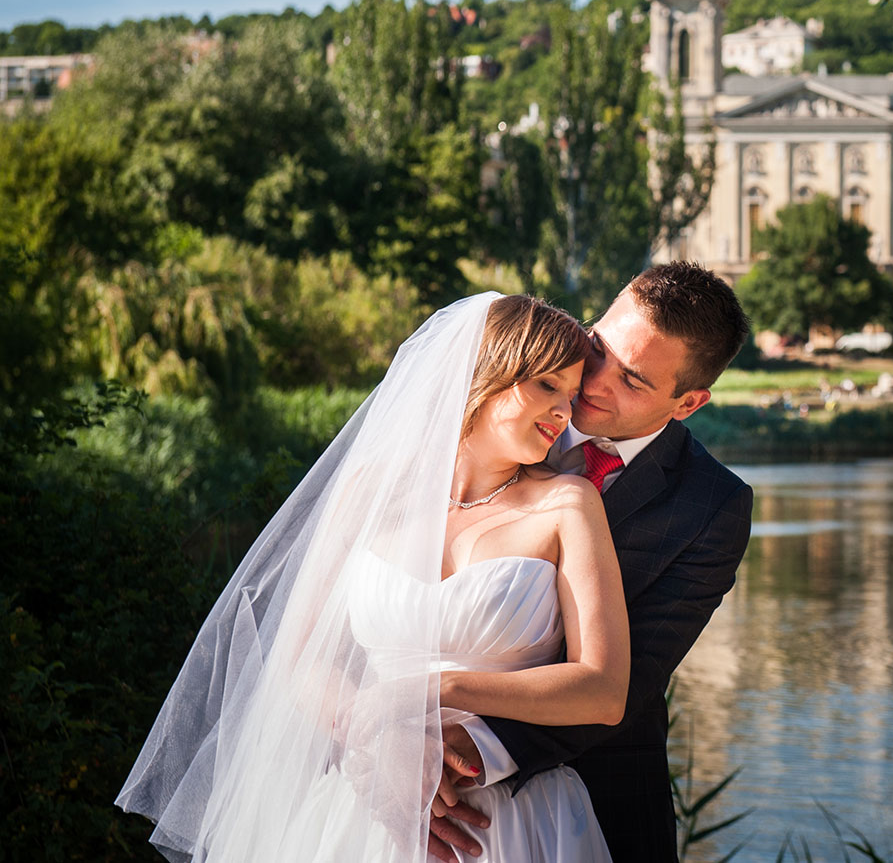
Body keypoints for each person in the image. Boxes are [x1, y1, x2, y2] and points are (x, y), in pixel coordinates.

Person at [118, 292, 636, 863]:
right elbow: (301, 655)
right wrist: (376, 742)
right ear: (487, 372)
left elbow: (603, 689)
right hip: (363, 805)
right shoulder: (374, 491)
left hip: (513, 817)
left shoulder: (568, 503)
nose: (564, 413)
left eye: (569, 394)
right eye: (547, 386)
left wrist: (432, 691)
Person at [429, 262, 754, 863]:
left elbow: (626, 686)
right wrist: (385, 756)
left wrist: (450, 762)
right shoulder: (480, 433)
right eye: (599, 346)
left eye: (632, 380)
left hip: (584, 807)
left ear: (688, 403)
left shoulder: (711, 506)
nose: (593, 381)